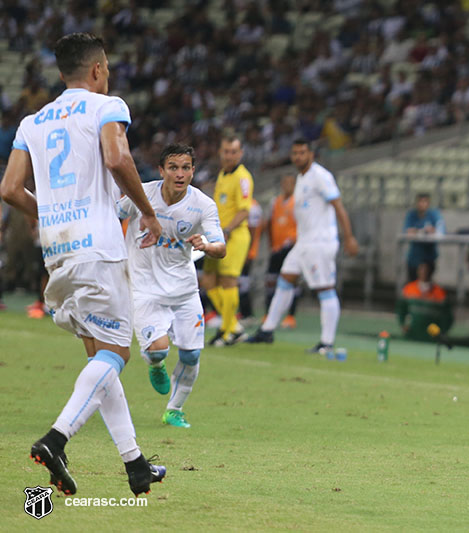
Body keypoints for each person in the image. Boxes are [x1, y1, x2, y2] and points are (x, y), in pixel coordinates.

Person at [0, 32, 166, 496]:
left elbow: (10, 189)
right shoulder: (106, 106)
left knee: (100, 356)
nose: (107, 75)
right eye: (107, 68)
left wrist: (50, 215)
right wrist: (148, 213)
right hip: (98, 247)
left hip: (56, 249)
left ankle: (134, 465)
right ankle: (56, 439)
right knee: (117, 353)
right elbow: (117, 157)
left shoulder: (33, 122)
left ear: (60, 72)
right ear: (96, 70)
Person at [117, 143, 225, 428]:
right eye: (174, 168)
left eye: (186, 168)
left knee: (191, 353)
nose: (180, 174)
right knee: (159, 350)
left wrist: (207, 245)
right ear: (161, 170)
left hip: (183, 289)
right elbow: (113, 214)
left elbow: (220, 246)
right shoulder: (142, 194)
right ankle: (155, 364)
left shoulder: (203, 205)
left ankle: (174, 409)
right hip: (143, 287)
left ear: (193, 171)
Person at [248, 139, 358, 353]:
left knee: (325, 289)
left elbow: (338, 206)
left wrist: (349, 237)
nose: (298, 156)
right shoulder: (301, 178)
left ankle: (326, 343)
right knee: (285, 279)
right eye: (295, 153)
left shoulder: (321, 176)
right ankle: (267, 330)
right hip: (303, 243)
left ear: (311, 155)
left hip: (320, 242)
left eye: (302, 152)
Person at [202, 134, 254, 346]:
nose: (230, 156)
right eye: (226, 151)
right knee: (207, 280)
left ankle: (226, 331)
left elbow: (244, 210)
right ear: (220, 153)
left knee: (228, 281)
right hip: (217, 234)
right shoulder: (223, 174)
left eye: (234, 152)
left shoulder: (243, 178)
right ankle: (234, 327)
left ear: (240, 154)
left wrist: (228, 229)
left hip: (234, 235)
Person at [263, 173, 300, 329]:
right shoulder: (275, 202)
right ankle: (268, 314)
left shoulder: (298, 202)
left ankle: (290, 316)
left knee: (292, 281)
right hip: (277, 248)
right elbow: (270, 224)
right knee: (271, 281)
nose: (287, 185)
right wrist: (272, 245)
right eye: (285, 182)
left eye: (290, 182)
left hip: (292, 248)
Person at [397, 262, 453, 341]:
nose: (424, 272)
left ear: (431, 272)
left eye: (426, 270)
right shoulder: (409, 289)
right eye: (421, 269)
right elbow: (400, 310)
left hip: (431, 338)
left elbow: (447, 316)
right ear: (417, 271)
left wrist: (442, 331)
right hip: (411, 335)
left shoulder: (440, 292)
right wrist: (403, 324)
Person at [403, 192, 445, 281]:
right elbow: (407, 231)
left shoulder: (434, 214)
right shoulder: (412, 215)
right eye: (420, 201)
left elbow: (440, 230)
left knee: (426, 285)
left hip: (429, 256)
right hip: (414, 257)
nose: (422, 204)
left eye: (424, 201)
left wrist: (432, 231)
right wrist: (422, 230)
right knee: (412, 284)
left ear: (428, 203)